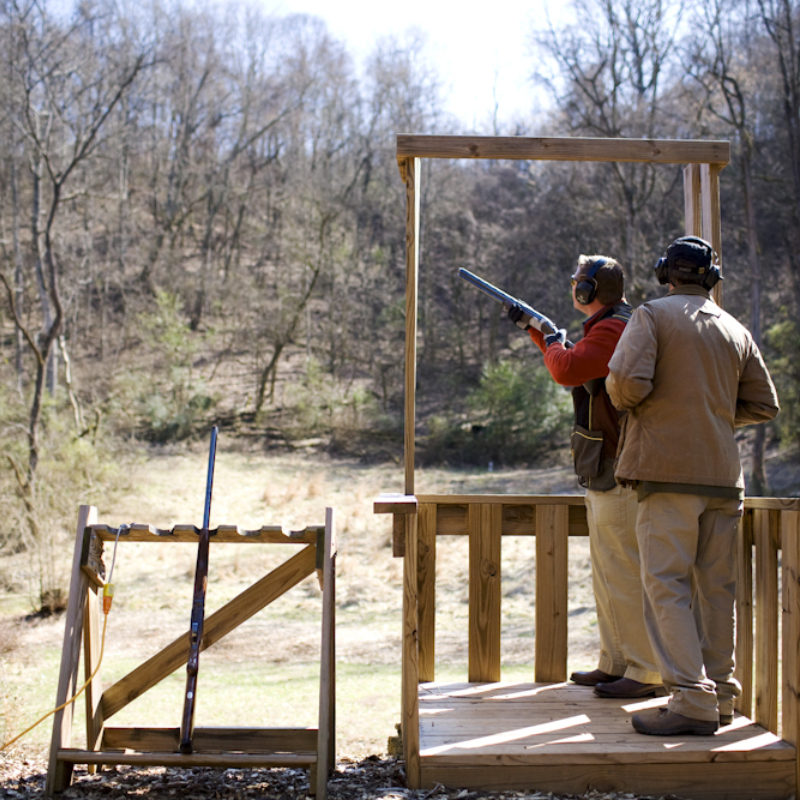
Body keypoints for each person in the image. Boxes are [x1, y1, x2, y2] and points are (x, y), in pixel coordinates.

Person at [606, 235, 779, 735]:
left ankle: (690, 699)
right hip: (726, 480)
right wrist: (712, 418)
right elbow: (764, 404)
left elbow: (627, 385)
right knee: (715, 592)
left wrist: (648, 407)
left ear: (666, 272)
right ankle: (721, 696)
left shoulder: (652, 316)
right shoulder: (735, 328)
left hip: (667, 473)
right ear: (711, 277)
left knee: (665, 587)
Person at [507, 255, 662, 699]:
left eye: (578, 283)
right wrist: (540, 333)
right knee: (609, 570)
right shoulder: (613, 324)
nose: (574, 287)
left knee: (624, 570)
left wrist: (550, 339)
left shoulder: (615, 327)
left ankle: (645, 669)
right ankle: (616, 662)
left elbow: (567, 369)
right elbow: (574, 365)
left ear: (587, 291)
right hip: (607, 464)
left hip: (618, 464)